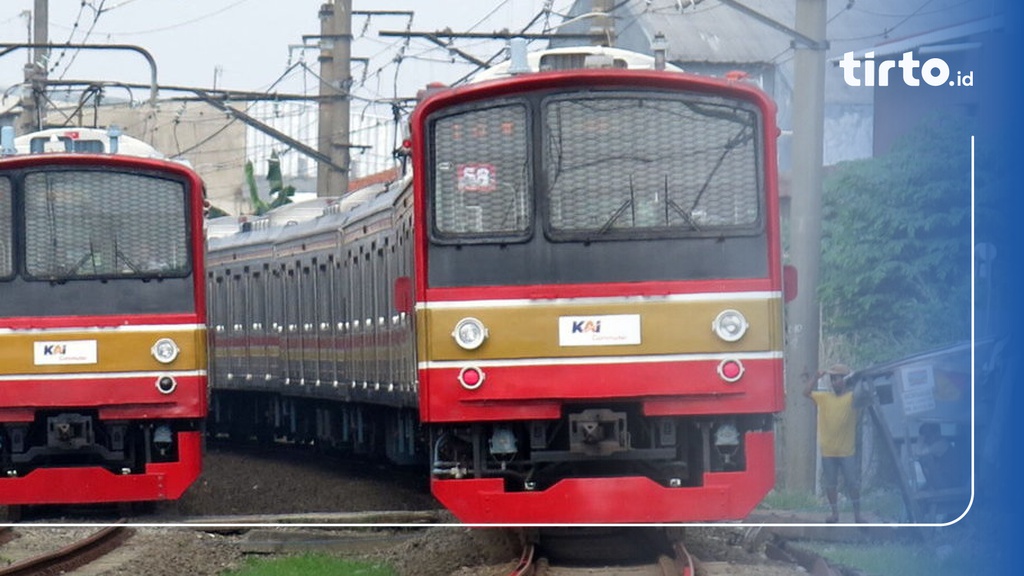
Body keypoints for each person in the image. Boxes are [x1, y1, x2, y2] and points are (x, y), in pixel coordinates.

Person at [804, 363, 867, 523]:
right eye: (832, 379)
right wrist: (816, 377)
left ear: (845, 380)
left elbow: (864, 391)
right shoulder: (824, 397)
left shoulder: (852, 398)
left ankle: (857, 515)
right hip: (828, 451)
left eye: (837, 379)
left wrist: (853, 376)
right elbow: (806, 392)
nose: (834, 383)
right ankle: (835, 514)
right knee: (830, 485)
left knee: (852, 484)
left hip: (847, 451)